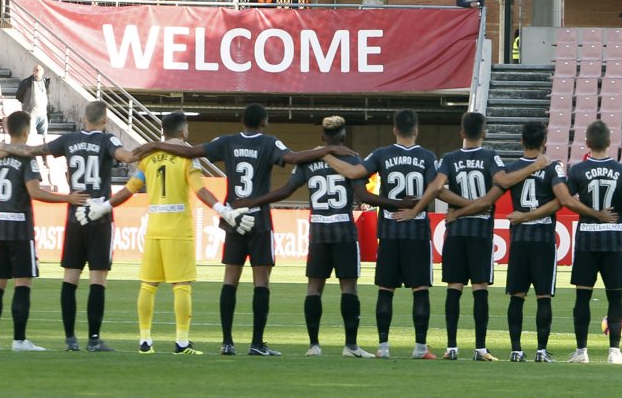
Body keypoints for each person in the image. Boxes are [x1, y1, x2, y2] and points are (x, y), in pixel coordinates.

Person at [134, 103, 341, 356]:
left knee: (230, 279)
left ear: (242, 121)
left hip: (233, 219)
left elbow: (191, 151)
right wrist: (328, 149)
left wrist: (155, 145)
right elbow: (294, 158)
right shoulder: (269, 143)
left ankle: (227, 343)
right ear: (264, 122)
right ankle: (256, 344)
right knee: (261, 281)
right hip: (258, 219)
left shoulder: (227, 141)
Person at [234, 117, 413, 358]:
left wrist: (253, 201)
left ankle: (314, 345)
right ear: (343, 137)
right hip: (344, 231)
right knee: (349, 287)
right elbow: (364, 196)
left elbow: (285, 190)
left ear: (322, 137)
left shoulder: (309, 161)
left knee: (314, 287)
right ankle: (351, 346)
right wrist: (397, 203)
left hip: (318, 231)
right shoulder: (352, 160)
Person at [82, 112, 254, 354]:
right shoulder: (187, 156)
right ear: (183, 132)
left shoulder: (150, 157)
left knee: (148, 285)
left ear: (163, 132)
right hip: (178, 229)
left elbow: (130, 189)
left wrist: (104, 207)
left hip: (154, 227)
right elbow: (200, 190)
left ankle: (144, 341)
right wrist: (223, 211)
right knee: (181, 286)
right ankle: (182, 342)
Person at [444, 121, 607, 363]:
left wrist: (458, 212)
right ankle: (541, 351)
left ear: (521, 141)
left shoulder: (511, 170)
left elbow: (491, 197)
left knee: (516, 297)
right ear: (544, 142)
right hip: (543, 240)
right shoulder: (552, 167)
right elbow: (562, 200)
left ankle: (516, 350)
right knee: (544, 297)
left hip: (519, 239)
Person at [0, 100, 141, 352]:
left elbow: (32, 151)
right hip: (99, 216)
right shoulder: (107, 140)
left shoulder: (68, 140)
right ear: (104, 120)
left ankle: (70, 339)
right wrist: (152, 149)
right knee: (98, 278)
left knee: (70, 277)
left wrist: (6, 147)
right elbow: (127, 157)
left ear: (84, 118)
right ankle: (94, 339)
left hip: (74, 215)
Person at [319, 109, 439, 360]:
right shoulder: (428, 156)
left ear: (394, 129)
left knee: (386, 290)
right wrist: (414, 210)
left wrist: (326, 155)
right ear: (416, 130)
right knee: (420, 290)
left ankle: (383, 347)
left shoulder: (382, 154)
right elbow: (434, 189)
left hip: (389, 231)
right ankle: (420, 348)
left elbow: (353, 174)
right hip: (417, 231)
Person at [394, 112, 509, 362]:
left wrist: (456, 210)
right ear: (484, 133)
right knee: (480, 287)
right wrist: (478, 205)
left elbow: (437, 188)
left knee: (454, 287)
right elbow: (501, 183)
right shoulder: (491, 157)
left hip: (455, 231)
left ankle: (452, 348)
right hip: (480, 231)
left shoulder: (449, 158)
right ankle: (480, 349)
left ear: (461, 133)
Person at [0, 112, 88, 352]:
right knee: (23, 282)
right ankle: (19, 341)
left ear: (8, 130)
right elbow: (35, 192)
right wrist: (67, 198)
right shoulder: (27, 160)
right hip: (20, 228)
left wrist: (2, 150)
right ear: (26, 132)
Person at [564, 121, 622, 365]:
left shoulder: (578, 170)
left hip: (587, 237)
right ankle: (614, 352)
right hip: (613, 239)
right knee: (615, 297)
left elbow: (567, 200)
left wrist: (591, 213)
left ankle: (581, 351)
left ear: (586, 143)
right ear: (609, 142)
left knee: (582, 297)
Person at [14, 65, 50, 179]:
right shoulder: (27, 82)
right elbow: (19, 95)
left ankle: (43, 157)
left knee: (44, 137)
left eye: (39, 70)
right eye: (35, 70)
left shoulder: (46, 82)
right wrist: (26, 107)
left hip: (43, 115)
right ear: (33, 71)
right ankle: (31, 158)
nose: (37, 72)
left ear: (43, 72)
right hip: (31, 115)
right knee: (32, 137)